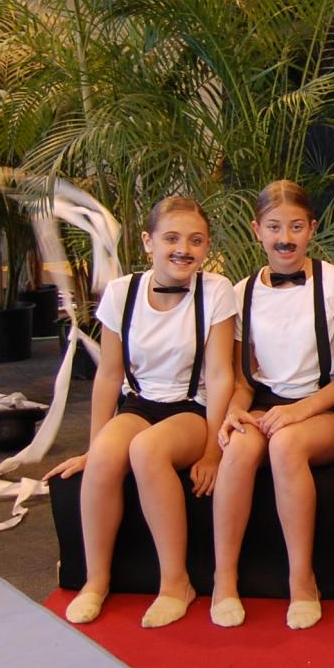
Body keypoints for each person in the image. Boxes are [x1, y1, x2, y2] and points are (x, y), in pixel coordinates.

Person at [48, 196, 236, 628]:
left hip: (192, 407)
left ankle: (176, 584)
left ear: (206, 246)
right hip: (139, 403)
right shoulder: (122, 292)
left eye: (195, 240)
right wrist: (92, 446)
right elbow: (109, 375)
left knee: (147, 450)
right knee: (104, 456)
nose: (183, 249)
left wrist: (213, 451)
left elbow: (220, 374)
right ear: (149, 242)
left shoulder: (216, 291)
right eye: (172, 238)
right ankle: (96, 580)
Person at [210, 180, 334, 629]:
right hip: (268, 403)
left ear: (311, 229)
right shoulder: (241, 292)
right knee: (238, 446)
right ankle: (224, 579)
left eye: (296, 227)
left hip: (327, 405)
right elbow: (244, 378)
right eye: (275, 227)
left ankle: (302, 579)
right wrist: (235, 411)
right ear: (257, 230)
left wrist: (300, 411)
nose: (285, 237)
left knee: (286, 444)